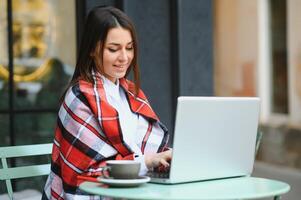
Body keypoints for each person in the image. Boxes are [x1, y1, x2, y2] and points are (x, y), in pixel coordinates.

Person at [42, 6, 172, 199]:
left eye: (129, 48)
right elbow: (85, 173)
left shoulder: (131, 93)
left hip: (133, 192)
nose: (124, 57)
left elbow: (145, 150)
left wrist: (165, 157)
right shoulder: (78, 97)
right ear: (93, 49)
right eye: (113, 49)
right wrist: (148, 161)